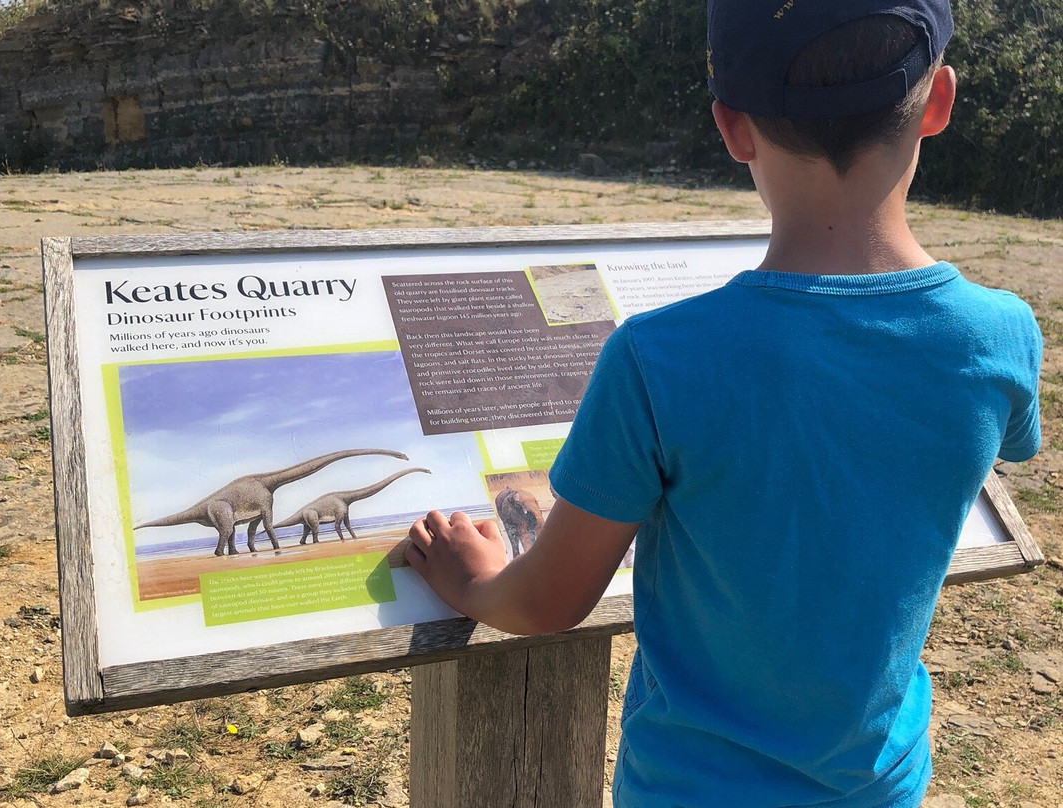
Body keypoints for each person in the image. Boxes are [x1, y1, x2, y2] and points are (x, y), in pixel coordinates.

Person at [405, 1, 1043, 805]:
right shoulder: (1002, 335)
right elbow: (1008, 443)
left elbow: (548, 601)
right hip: (876, 785)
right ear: (940, 102)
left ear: (733, 128)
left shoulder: (657, 358)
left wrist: (474, 582)